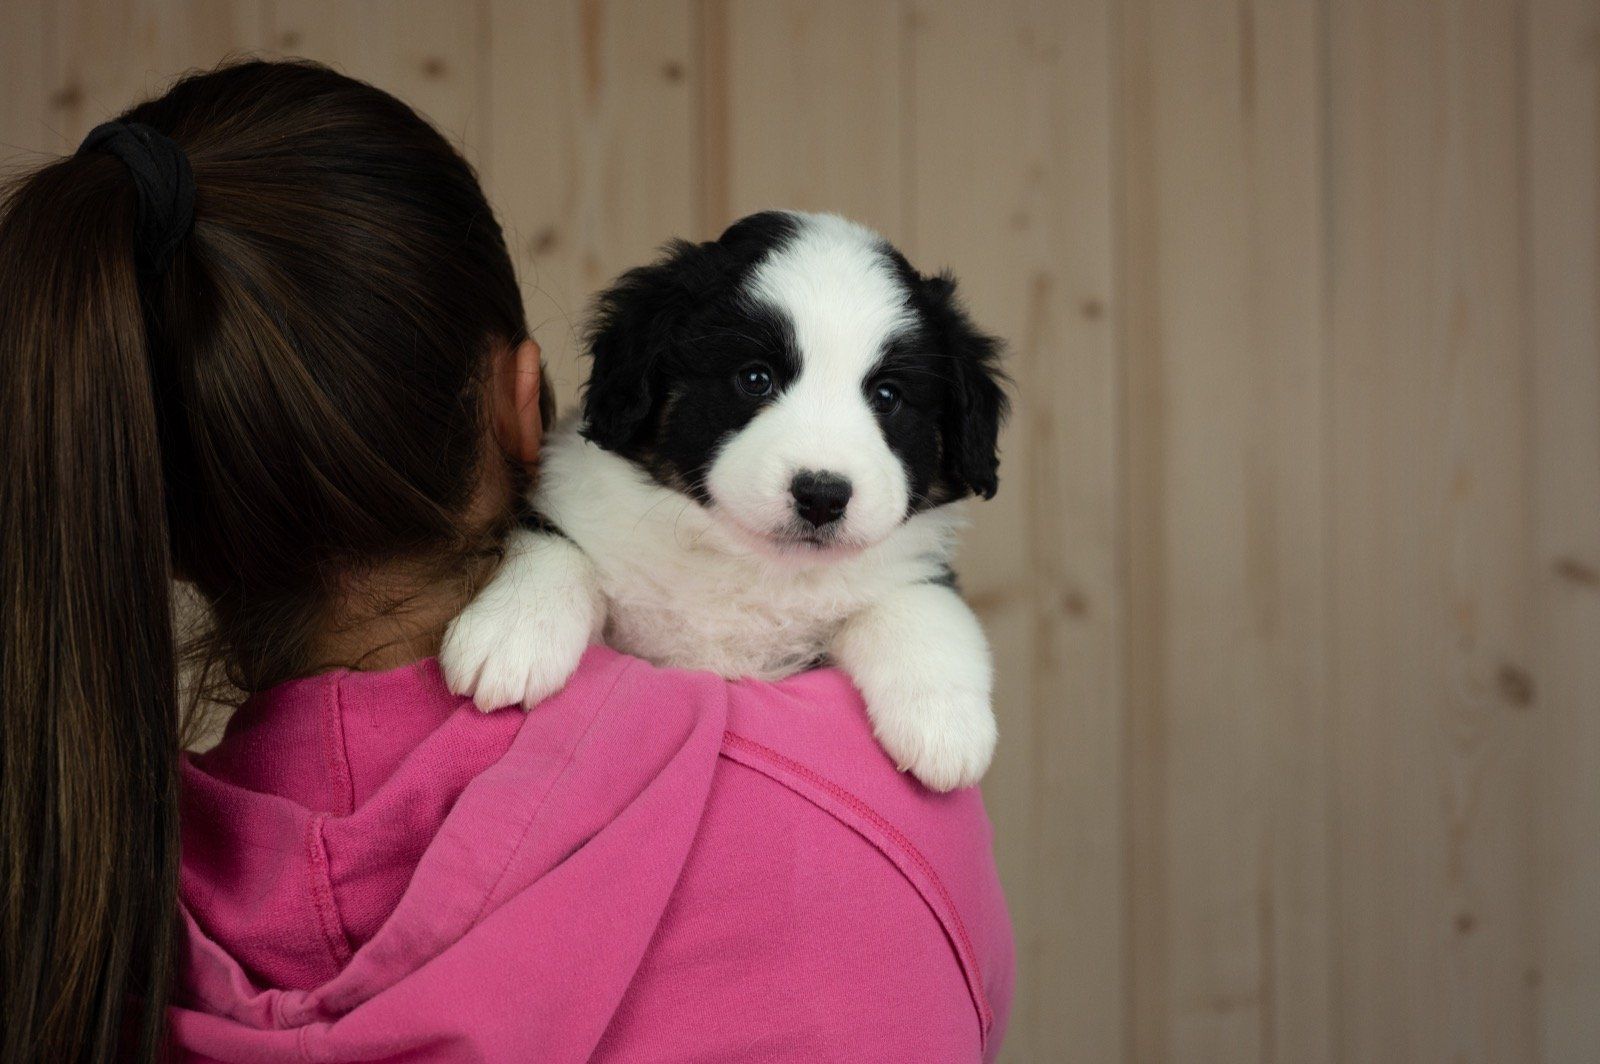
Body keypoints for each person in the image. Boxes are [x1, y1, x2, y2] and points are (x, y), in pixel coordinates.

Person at [0, 60, 1012, 1063]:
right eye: (755, 377)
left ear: (152, 515)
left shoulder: (76, 894)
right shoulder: (864, 818)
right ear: (522, 402)